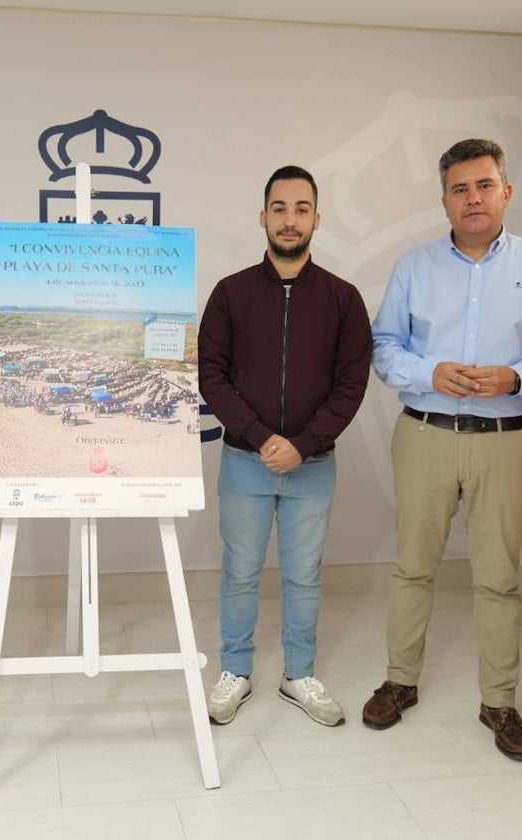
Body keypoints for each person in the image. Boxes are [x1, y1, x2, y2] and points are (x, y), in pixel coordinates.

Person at [364, 138, 522, 760]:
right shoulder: (414, 266)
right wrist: (429, 372)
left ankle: (499, 701)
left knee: (497, 577)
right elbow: (384, 348)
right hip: (426, 433)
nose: (473, 198)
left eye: (484, 185)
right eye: (460, 189)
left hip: (506, 441)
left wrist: (518, 378)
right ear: (444, 201)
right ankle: (399, 681)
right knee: (413, 565)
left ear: (506, 192)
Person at [198, 165, 372, 727]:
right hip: (245, 462)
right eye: (280, 208)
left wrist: (303, 443)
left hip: (313, 465)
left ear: (317, 219)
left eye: (301, 209)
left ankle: (299, 674)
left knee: (304, 574)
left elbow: (352, 383)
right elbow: (212, 375)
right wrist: (260, 436)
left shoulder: (344, 300)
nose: (290, 219)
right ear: (263, 217)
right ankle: (236, 672)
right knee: (241, 571)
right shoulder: (230, 294)